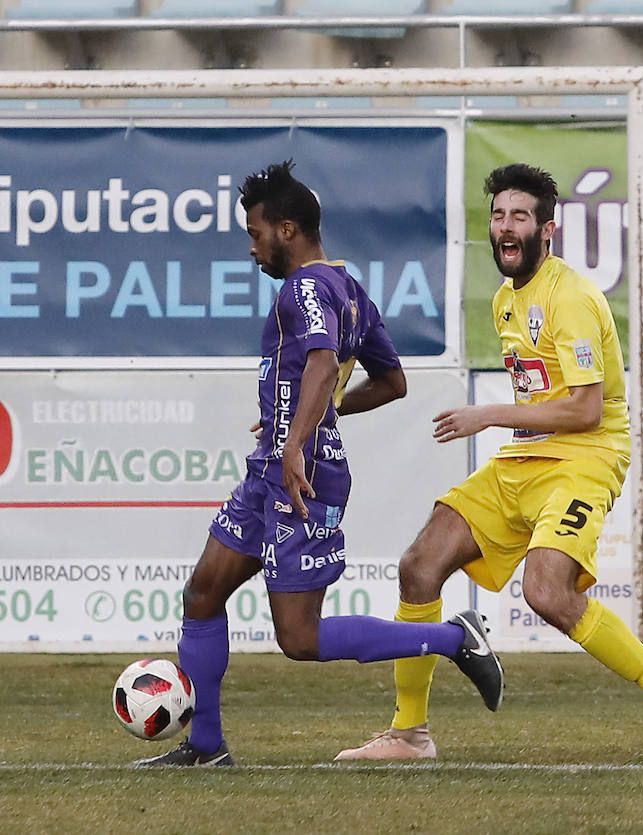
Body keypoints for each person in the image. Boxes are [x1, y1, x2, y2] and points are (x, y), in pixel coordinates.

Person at [134, 160, 504, 768]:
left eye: (254, 233)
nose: (251, 248)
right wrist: (305, 425)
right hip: (273, 471)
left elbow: (323, 364)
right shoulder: (350, 289)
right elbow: (392, 382)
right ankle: (205, 748)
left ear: (286, 229)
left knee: (299, 638)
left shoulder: (304, 287)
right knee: (203, 593)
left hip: (297, 475)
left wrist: (297, 440)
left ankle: (455, 639)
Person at [335, 163, 643, 762]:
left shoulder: (574, 299)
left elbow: (586, 410)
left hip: (585, 459)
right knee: (419, 565)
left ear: (546, 230)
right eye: (498, 216)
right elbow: (543, 397)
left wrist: (489, 415)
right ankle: (410, 734)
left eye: (519, 217)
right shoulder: (507, 300)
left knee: (547, 593)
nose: (505, 227)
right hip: (528, 458)